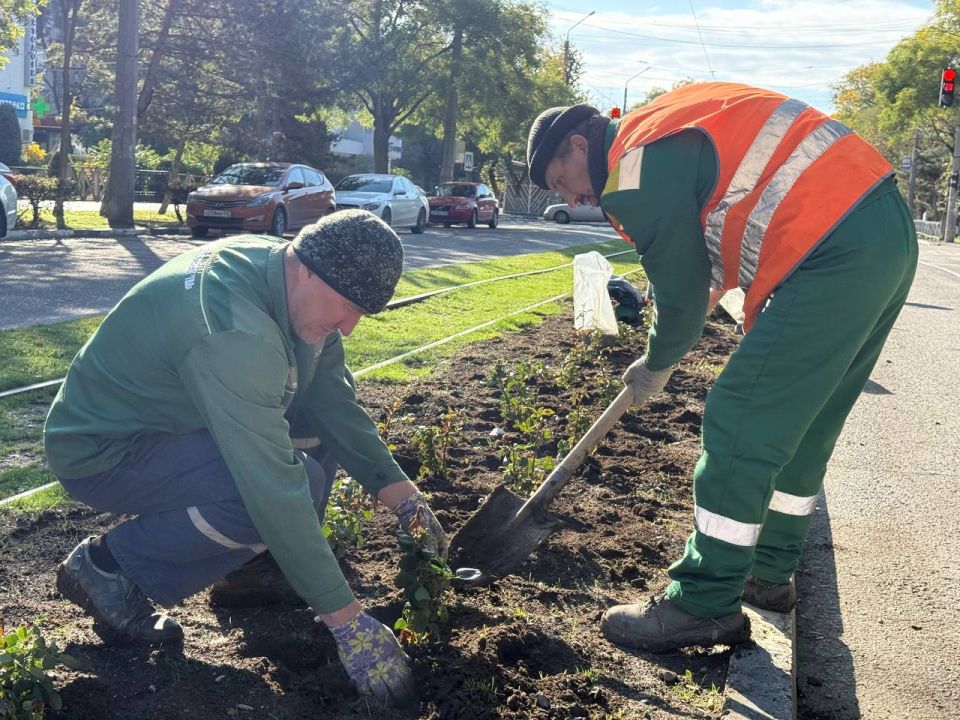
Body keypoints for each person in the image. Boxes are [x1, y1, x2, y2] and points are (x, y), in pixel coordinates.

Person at [526, 82, 917, 652]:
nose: (576, 198)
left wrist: (655, 363)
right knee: (804, 423)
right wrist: (682, 315)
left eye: (562, 181)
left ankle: (704, 601)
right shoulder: (659, 132)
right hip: (881, 234)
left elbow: (682, 303)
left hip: (830, 248)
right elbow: (706, 264)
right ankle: (768, 569)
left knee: (740, 418)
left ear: (579, 145)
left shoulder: (632, 171)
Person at [43, 209, 448, 704]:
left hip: (176, 420)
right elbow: (272, 487)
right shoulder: (236, 333)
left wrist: (404, 498)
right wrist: (347, 622)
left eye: (361, 311)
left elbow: (334, 406)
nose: (350, 325)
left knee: (311, 433)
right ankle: (108, 568)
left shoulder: (282, 276)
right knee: (266, 495)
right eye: (346, 305)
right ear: (307, 268)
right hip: (105, 448)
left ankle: (254, 567)